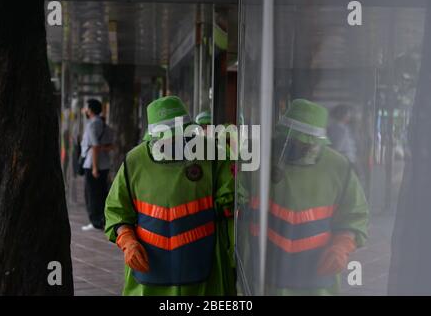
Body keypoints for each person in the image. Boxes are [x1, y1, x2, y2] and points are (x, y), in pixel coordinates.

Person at [104, 96, 236, 296]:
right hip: (149, 275)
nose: (176, 143)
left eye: (182, 137)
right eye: (168, 139)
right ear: (153, 138)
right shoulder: (134, 162)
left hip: (204, 268)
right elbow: (117, 210)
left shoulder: (213, 154)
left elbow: (232, 199)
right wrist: (126, 239)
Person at [258, 99, 369, 295]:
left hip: (316, 276)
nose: (297, 149)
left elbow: (355, 214)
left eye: (305, 145)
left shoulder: (338, 166)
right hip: (267, 271)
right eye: (291, 142)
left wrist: (342, 245)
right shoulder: (260, 160)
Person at [81, 99, 113, 231]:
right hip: (104, 164)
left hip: (93, 164)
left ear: (91, 109)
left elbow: (95, 146)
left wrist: (94, 167)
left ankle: (95, 222)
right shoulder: (105, 125)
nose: (85, 110)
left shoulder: (92, 125)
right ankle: (102, 219)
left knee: (92, 194)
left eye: (86, 107)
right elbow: (110, 146)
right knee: (101, 193)